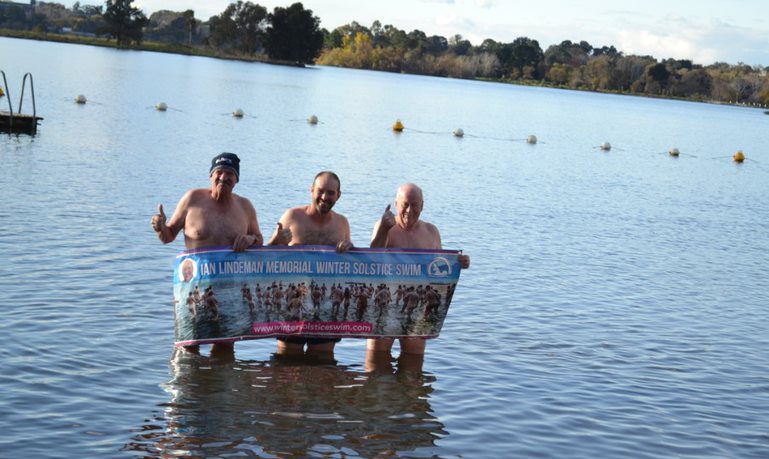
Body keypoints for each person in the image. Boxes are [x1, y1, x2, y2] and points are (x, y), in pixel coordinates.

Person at [151, 152, 263, 353]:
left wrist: (250, 239)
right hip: (193, 287)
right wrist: (160, 227)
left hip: (229, 289)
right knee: (189, 350)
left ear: (236, 179)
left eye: (230, 173)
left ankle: (220, 383)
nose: (223, 177)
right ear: (211, 175)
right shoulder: (192, 199)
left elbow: (259, 240)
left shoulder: (245, 206)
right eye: (219, 172)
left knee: (224, 350)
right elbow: (168, 237)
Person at [368, 183, 470, 356]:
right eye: (405, 204)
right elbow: (372, 258)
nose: (409, 210)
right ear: (396, 204)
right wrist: (384, 229)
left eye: (414, 205)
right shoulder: (384, 226)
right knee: (376, 364)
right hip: (386, 305)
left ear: (422, 206)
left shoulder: (431, 231)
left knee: (413, 366)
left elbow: (439, 270)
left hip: (418, 307)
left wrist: (459, 262)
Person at [268, 171, 353, 358]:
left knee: (322, 361)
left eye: (331, 193)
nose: (325, 197)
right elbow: (266, 259)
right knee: (287, 364)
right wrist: (275, 241)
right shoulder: (292, 216)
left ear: (338, 195)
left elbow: (347, 265)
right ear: (312, 189)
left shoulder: (342, 223)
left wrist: (348, 249)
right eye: (320, 191)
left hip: (326, 305)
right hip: (293, 303)